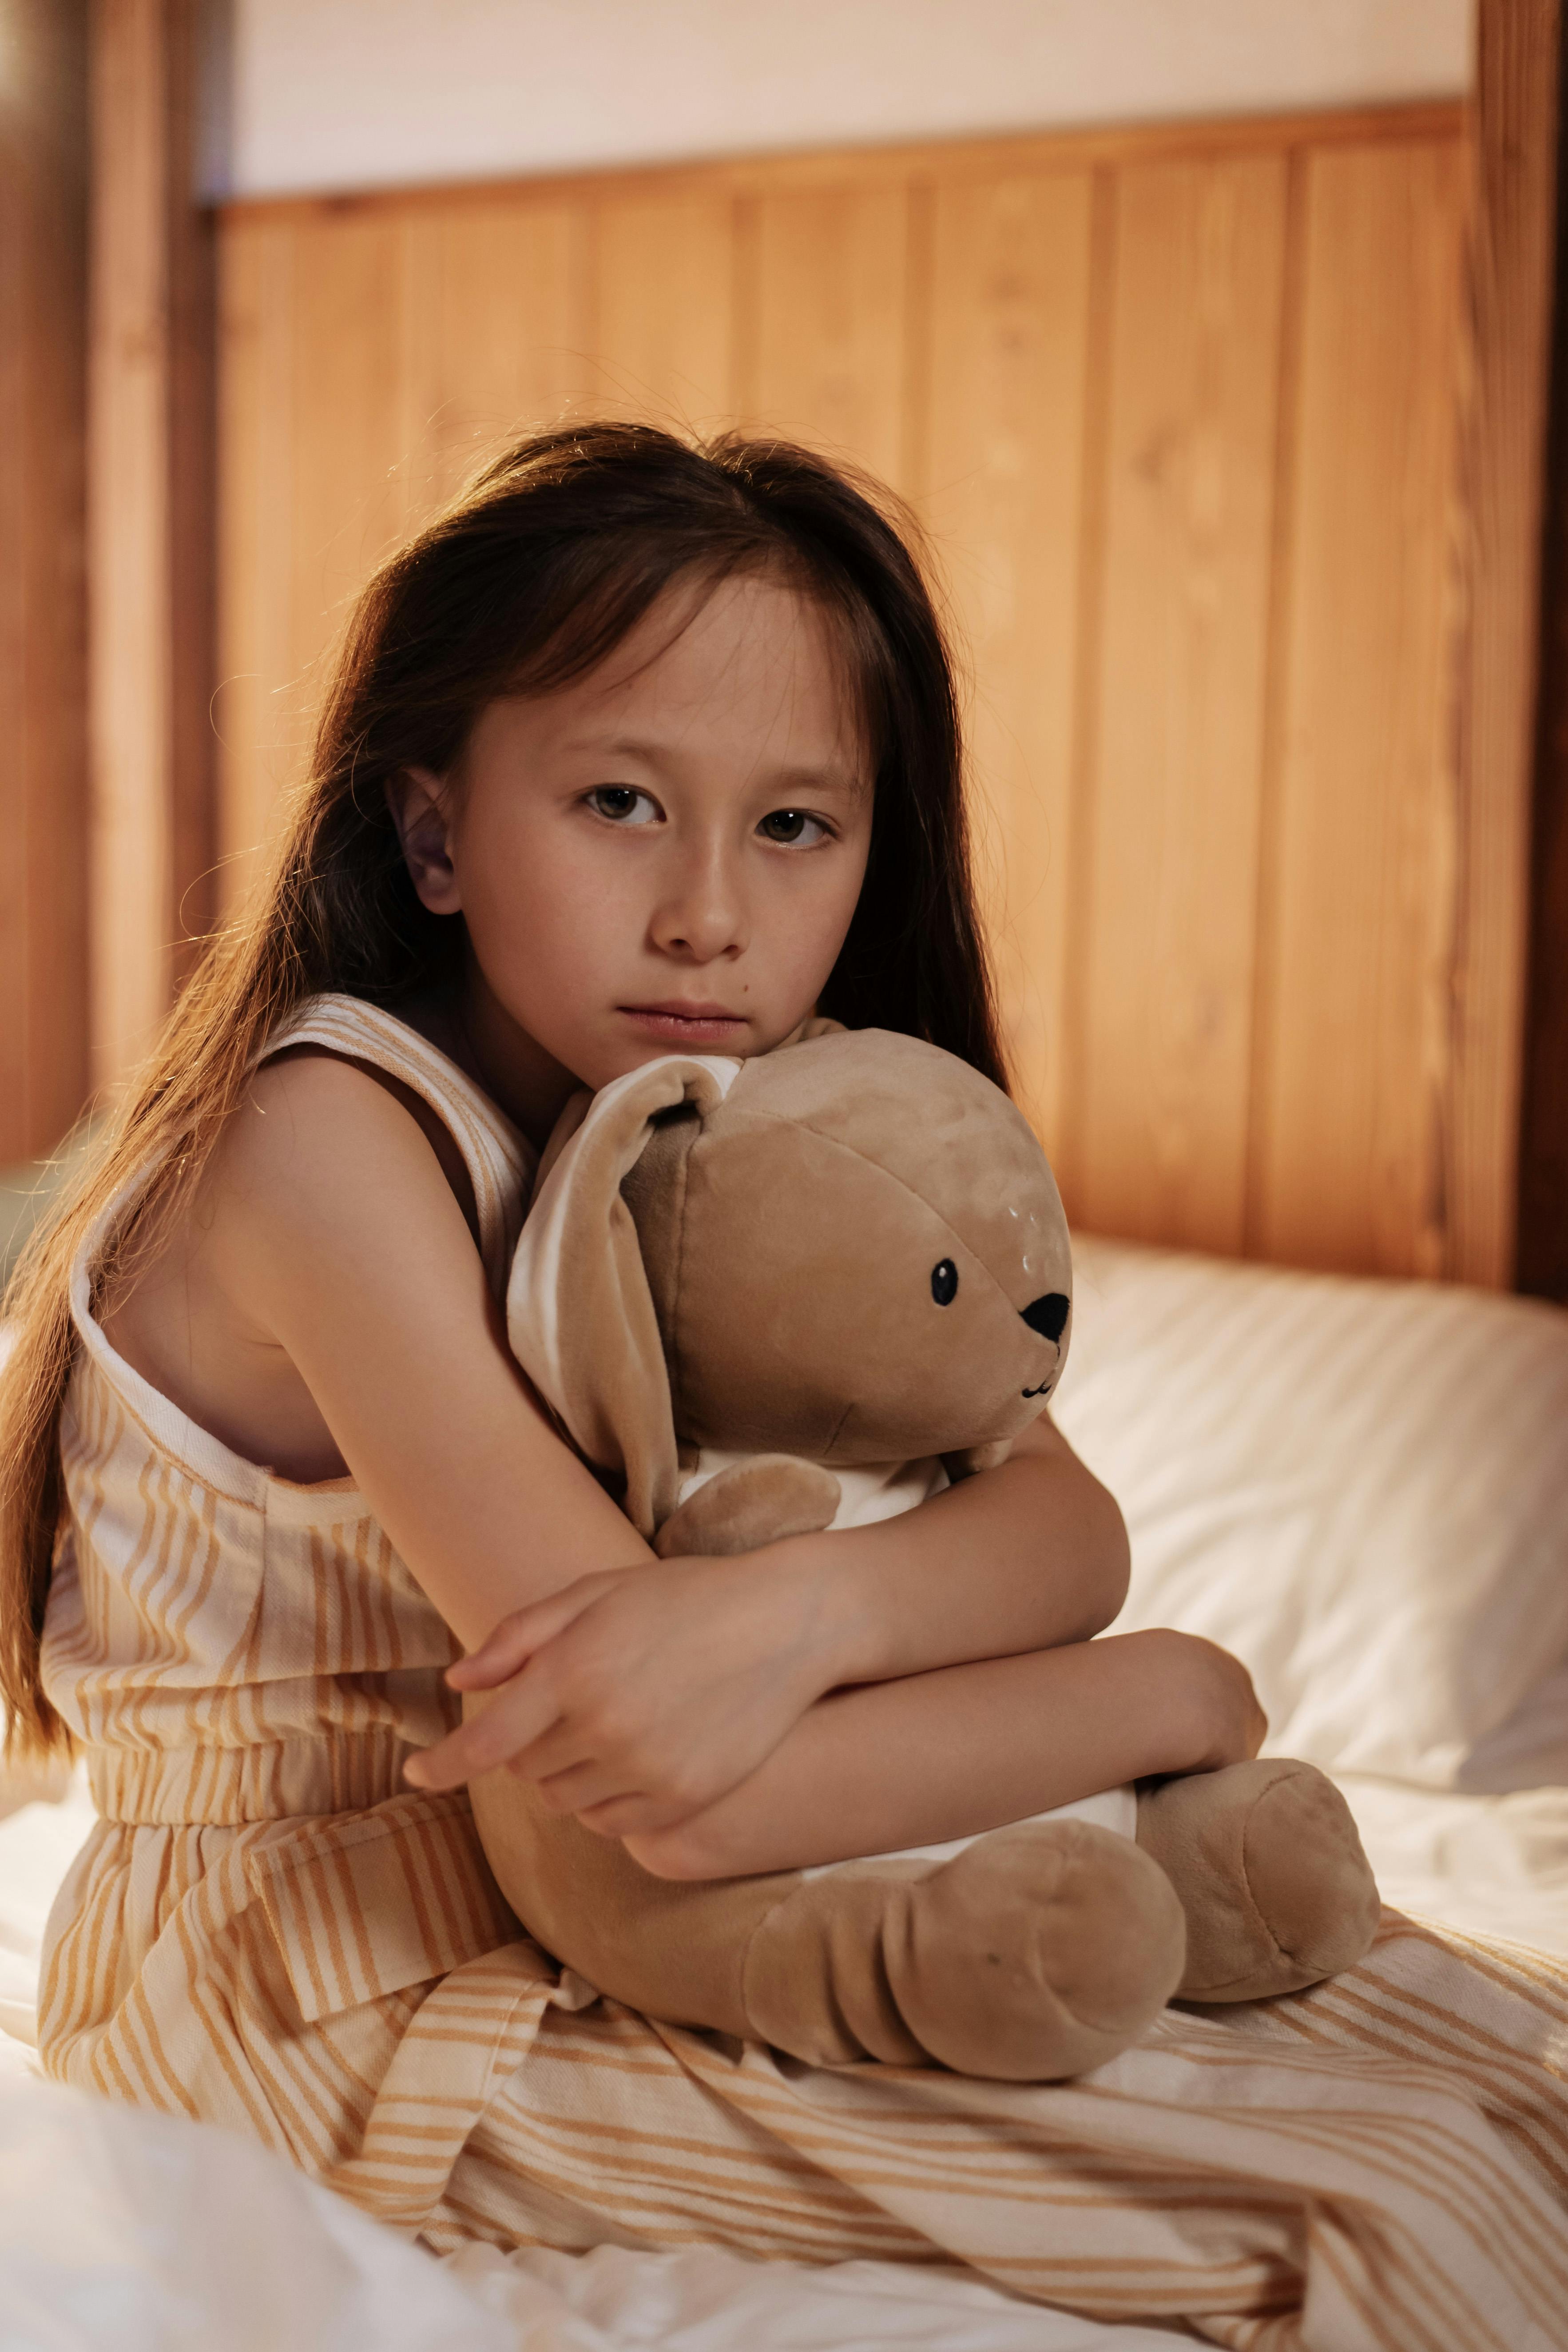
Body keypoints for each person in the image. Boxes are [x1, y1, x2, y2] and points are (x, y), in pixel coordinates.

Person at [3, 427, 1561, 2336]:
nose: (708, 916)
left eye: (795, 828)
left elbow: (1055, 1515)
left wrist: (793, 1608)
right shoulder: (327, 1140)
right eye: (618, 802)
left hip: (651, 1917)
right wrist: (1174, 1691)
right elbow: (691, 1800)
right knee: (1367, 2200)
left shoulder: (729, 1120)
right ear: (431, 833)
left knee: (1483, 2061)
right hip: (330, 1990)